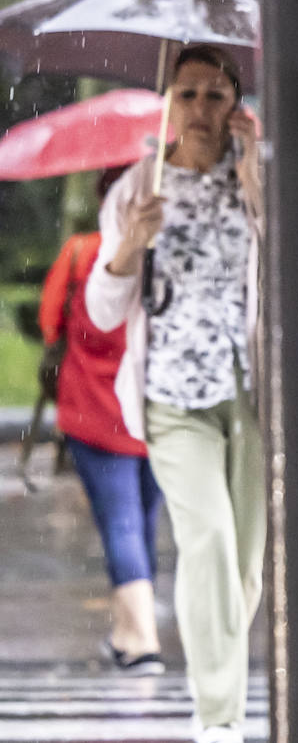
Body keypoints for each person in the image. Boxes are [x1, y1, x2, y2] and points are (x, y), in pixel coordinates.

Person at [86, 44, 264, 743]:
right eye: (185, 94)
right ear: (166, 103)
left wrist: (259, 186)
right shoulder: (137, 186)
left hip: (250, 394)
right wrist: (129, 246)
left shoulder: (261, 180)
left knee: (245, 567)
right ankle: (218, 716)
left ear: (236, 106)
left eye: (214, 95)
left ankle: (213, 650)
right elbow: (103, 310)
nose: (199, 109)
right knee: (209, 541)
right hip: (171, 395)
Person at [39, 166, 164, 675]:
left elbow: (51, 322)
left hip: (93, 411)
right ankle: (125, 630)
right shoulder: (165, 258)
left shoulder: (80, 253)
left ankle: (142, 642)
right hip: (153, 411)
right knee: (144, 523)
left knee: (121, 523)